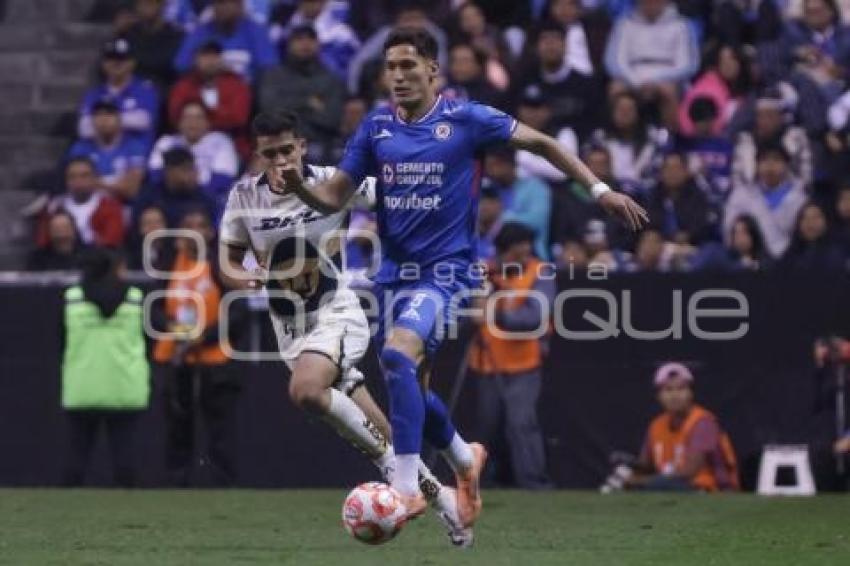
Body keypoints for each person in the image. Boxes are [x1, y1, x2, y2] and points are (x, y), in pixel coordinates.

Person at [280, 27, 647, 524]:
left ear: (433, 69)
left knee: (397, 354)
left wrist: (600, 190)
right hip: (394, 274)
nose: (398, 76)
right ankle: (463, 457)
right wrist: (300, 185)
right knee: (410, 386)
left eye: (408, 65)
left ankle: (406, 488)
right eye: (391, 67)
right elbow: (334, 196)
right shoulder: (376, 128)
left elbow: (542, 143)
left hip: (445, 271)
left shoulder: (467, 119)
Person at [218, 110, 473, 546]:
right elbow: (227, 260)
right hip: (290, 328)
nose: (280, 161)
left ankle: (392, 470)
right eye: (269, 154)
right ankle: (445, 500)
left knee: (306, 390)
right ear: (257, 155)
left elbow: (399, 198)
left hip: (336, 311)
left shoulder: (335, 182)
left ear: (301, 146)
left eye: (286, 150)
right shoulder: (244, 196)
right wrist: (247, 279)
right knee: (378, 428)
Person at [152, 208, 243, 486]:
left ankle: (223, 486)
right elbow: (154, 307)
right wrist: (174, 330)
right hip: (176, 358)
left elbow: (238, 311)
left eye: (200, 225)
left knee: (220, 431)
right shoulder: (168, 265)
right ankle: (176, 485)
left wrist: (204, 336)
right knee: (177, 427)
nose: (194, 231)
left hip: (215, 361)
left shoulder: (222, 265)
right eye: (187, 225)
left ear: (210, 233)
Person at [468, 222, 554, 490]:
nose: (523, 257)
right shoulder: (484, 272)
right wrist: (473, 308)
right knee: (487, 427)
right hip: (486, 362)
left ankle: (533, 483)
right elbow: (462, 308)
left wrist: (495, 313)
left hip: (523, 363)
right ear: (503, 251)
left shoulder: (541, 272)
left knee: (522, 423)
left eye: (526, 250)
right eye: (517, 252)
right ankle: (482, 483)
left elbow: (535, 316)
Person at [61, 248, 150, 486]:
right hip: (124, 384)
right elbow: (150, 339)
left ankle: (67, 502)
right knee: (125, 453)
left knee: (77, 454)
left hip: (83, 384)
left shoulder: (71, 298)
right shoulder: (136, 298)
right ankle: (128, 502)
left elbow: (60, 341)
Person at [624, 363, 740, 492]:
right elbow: (645, 465)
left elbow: (689, 472)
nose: (675, 395)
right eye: (668, 390)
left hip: (708, 491)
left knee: (657, 485)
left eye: (681, 389)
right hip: (669, 488)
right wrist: (628, 468)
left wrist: (642, 481)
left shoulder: (703, 422)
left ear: (691, 393)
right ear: (659, 396)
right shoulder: (656, 425)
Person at [604, 0, 700, 129]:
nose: (650, 4)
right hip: (632, 76)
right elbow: (614, 62)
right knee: (615, 89)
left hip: (667, 77)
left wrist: (655, 80)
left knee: (669, 91)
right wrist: (636, 81)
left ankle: (669, 135)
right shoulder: (624, 24)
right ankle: (615, 134)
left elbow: (687, 65)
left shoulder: (681, 25)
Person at [257, 25, 346, 162]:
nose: (305, 43)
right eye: (299, 39)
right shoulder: (273, 76)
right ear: (289, 45)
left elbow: (332, 119)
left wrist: (289, 106)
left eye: (311, 39)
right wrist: (307, 103)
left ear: (318, 44)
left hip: (319, 143)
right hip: (278, 140)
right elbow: (269, 110)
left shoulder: (331, 79)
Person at [513, 21, 601, 141]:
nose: (551, 45)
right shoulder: (523, 80)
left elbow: (592, 122)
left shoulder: (585, 85)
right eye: (545, 40)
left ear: (566, 45)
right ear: (536, 47)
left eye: (556, 39)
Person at [169, 40, 252, 160]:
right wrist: (216, 116)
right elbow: (176, 116)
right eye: (205, 56)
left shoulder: (237, 85)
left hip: (233, 144)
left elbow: (239, 118)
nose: (210, 61)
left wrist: (202, 118)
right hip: (189, 144)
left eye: (214, 56)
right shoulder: (183, 86)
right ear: (195, 60)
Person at [148, 100, 239, 206]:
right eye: (187, 117)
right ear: (179, 122)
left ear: (208, 122)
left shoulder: (220, 141)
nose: (193, 122)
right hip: (170, 199)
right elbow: (155, 176)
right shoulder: (166, 142)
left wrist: (192, 194)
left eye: (198, 117)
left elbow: (223, 180)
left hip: (208, 200)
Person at [724, 143, 807, 258]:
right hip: (747, 260)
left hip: (789, 260)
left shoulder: (800, 198)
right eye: (764, 160)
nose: (770, 165)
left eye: (776, 160)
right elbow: (729, 231)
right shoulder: (740, 195)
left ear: (786, 166)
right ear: (756, 165)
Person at [78, 38, 160, 150]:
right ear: (103, 63)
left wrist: (103, 121)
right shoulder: (94, 94)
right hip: (99, 155)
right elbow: (84, 129)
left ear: (132, 62)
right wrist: (122, 121)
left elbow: (144, 121)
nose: (116, 63)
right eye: (111, 58)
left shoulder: (145, 90)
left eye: (122, 58)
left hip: (137, 155)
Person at [173, 0, 279, 84]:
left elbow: (269, 69)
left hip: (247, 94)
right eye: (217, 3)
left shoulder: (255, 32)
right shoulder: (201, 32)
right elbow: (180, 66)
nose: (221, 8)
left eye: (226, 2)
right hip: (207, 92)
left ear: (240, 5)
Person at [590, 90, 669, 196]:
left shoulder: (655, 138)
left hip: (648, 196)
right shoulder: (599, 139)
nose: (624, 114)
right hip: (609, 195)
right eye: (620, 109)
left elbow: (658, 173)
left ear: (638, 112)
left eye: (629, 110)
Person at [67, 100, 147, 203]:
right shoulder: (80, 148)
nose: (104, 119)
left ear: (119, 118)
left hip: (124, 205)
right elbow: (76, 185)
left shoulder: (134, 147)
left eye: (110, 114)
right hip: (89, 205)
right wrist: (116, 184)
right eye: (98, 114)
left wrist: (95, 182)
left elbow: (132, 189)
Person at [38, 158, 125, 249]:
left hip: (97, 255)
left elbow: (111, 242)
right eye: (72, 177)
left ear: (95, 178)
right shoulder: (54, 206)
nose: (78, 181)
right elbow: (43, 241)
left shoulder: (110, 206)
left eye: (84, 176)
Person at [483, 147, 552, 260]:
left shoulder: (535, 187)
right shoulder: (486, 189)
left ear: (511, 163)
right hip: (489, 259)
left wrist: (499, 219)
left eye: (496, 164)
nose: (491, 170)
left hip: (531, 257)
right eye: (488, 165)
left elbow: (536, 222)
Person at [269, 0, 361, 81]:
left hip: (329, 87)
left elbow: (351, 72)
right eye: (307, 1)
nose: (311, 6)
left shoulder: (342, 35)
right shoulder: (282, 32)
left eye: (314, 1)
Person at [646, 151, 718, 247]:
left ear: (686, 171)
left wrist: (688, 236)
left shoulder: (698, 196)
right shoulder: (653, 194)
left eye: (677, 169)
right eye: (668, 169)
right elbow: (650, 223)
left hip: (691, 246)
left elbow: (701, 226)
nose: (672, 173)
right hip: (659, 244)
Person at [135, 147, 220, 227]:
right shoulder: (150, 197)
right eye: (185, 170)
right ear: (169, 172)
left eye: (193, 169)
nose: (193, 175)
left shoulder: (205, 199)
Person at [122, 0, 186, 88]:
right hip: (132, 89)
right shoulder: (129, 34)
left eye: (150, 3)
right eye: (141, 3)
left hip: (164, 88)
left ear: (162, 5)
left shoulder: (176, 35)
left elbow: (171, 65)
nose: (145, 7)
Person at [780, 201, 846, 270]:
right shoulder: (792, 252)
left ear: (826, 221)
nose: (810, 222)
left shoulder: (835, 254)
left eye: (816, 217)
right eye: (804, 217)